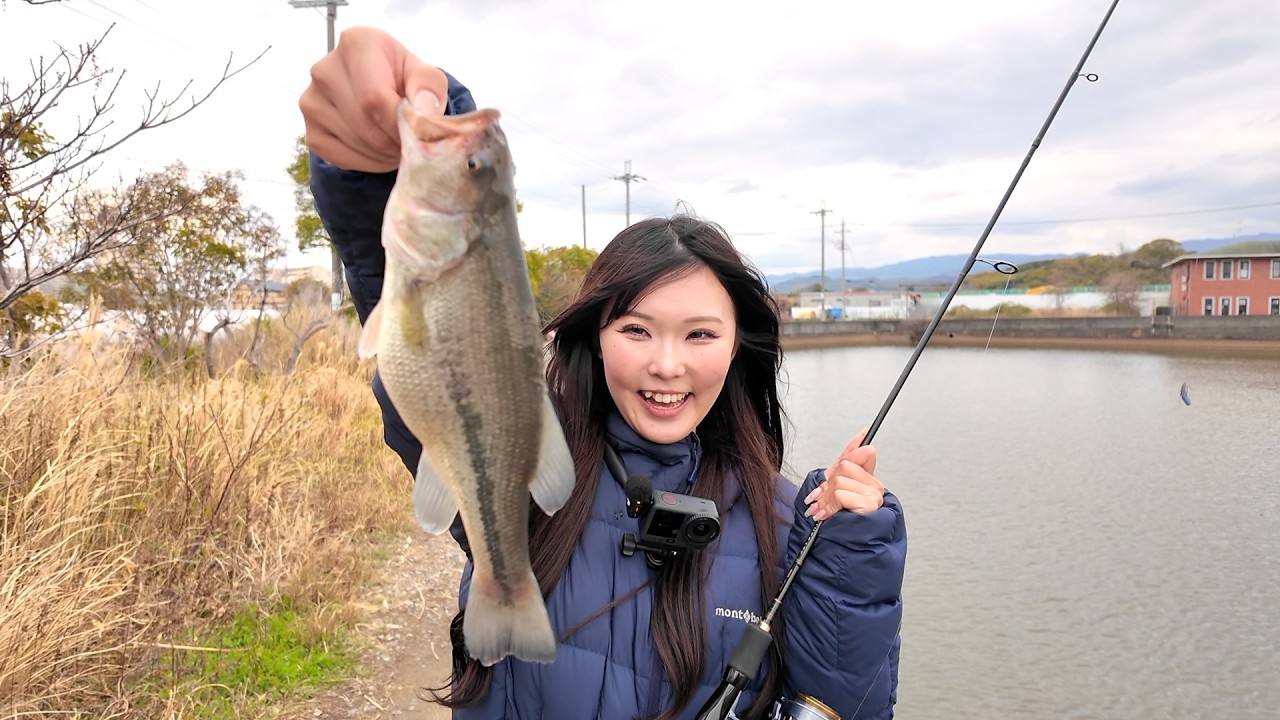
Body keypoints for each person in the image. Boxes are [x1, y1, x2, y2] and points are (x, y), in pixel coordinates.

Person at [300, 27, 906, 720]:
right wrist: (384, 152)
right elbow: (439, 312)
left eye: (701, 333)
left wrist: (855, 555)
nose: (667, 364)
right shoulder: (531, 459)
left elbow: (843, 705)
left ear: (741, 346)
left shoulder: (785, 523)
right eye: (636, 329)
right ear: (595, 334)